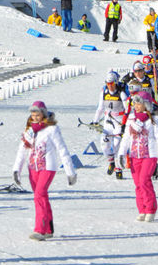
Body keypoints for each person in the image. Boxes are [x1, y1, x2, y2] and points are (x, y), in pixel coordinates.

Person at [12, 101, 77, 240]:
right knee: (41, 197)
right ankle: (48, 229)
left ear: (43, 114)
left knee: (39, 196)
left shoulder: (52, 129)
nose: (35, 117)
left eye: (37, 114)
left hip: (47, 167)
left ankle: (39, 230)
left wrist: (70, 171)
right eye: (33, 114)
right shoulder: (29, 131)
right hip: (33, 168)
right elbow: (22, 151)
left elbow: (62, 149)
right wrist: (16, 169)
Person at [117, 91, 158, 221]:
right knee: (138, 184)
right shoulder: (131, 118)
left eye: (139, 103)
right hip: (135, 155)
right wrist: (121, 154)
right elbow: (126, 138)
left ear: (146, 104)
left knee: (144, 180)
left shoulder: (154, 119)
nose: (136, 106)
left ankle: (150, 209)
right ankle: (142, 209)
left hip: (149, 155)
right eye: (135, 103)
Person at [93, 71, 129, 178]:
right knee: (104, 145)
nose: (110, 86)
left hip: (119, 121)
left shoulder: (121, 93)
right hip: (108, 121)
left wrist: (124, 124)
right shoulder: (104, 92)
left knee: (117, 145)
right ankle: (111, 162)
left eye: (112, 84)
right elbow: (100, 108)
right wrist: (95, 121)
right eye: (108, 84)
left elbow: (127, 108)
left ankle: (118, 168)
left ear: (116, 83)